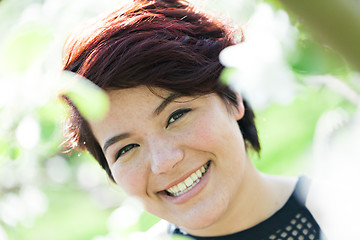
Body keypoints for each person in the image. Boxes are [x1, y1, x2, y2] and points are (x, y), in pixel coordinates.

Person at [61, 0, 326, 239]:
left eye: (176, 116)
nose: (164, 162)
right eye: (126, 149)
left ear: (233, 96)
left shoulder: (342, 214)